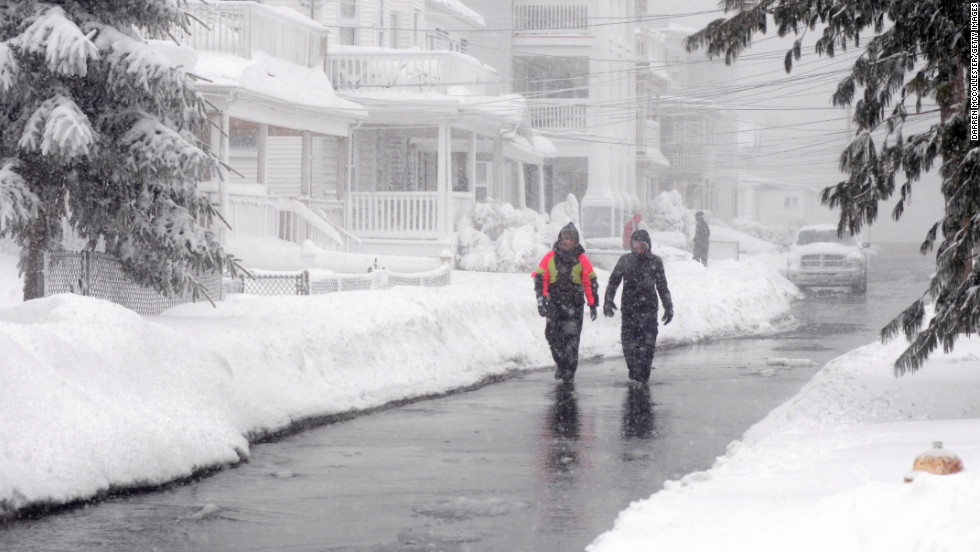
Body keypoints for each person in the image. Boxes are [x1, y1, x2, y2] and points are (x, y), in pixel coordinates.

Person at [603, 228, 674, 383]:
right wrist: (608, 300)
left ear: (648, 246)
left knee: (647, 346)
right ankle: (633, 369)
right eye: (635, 246)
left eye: (642, 246)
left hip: (649, 310)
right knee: (628, 344)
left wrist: (668, 306)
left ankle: (644, 373)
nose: (639, 249)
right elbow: (613, 281)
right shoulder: (625, 260)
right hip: (629, 309)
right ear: (631, 246)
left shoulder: (655, 262)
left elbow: (662, 286)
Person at [533, 223, 599, 382]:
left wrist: (592, 303)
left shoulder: (582, 259)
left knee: (572, 342)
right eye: (565, 238)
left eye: (571, 238)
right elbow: (540, 278)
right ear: (560, 240)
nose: (568, 241)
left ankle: (569, 373)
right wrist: (541, 301)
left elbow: (590, 281)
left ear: (575, 241)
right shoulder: (550, 257)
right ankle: (561, 365)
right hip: (555, 304)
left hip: (574, 306)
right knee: (552, 337)